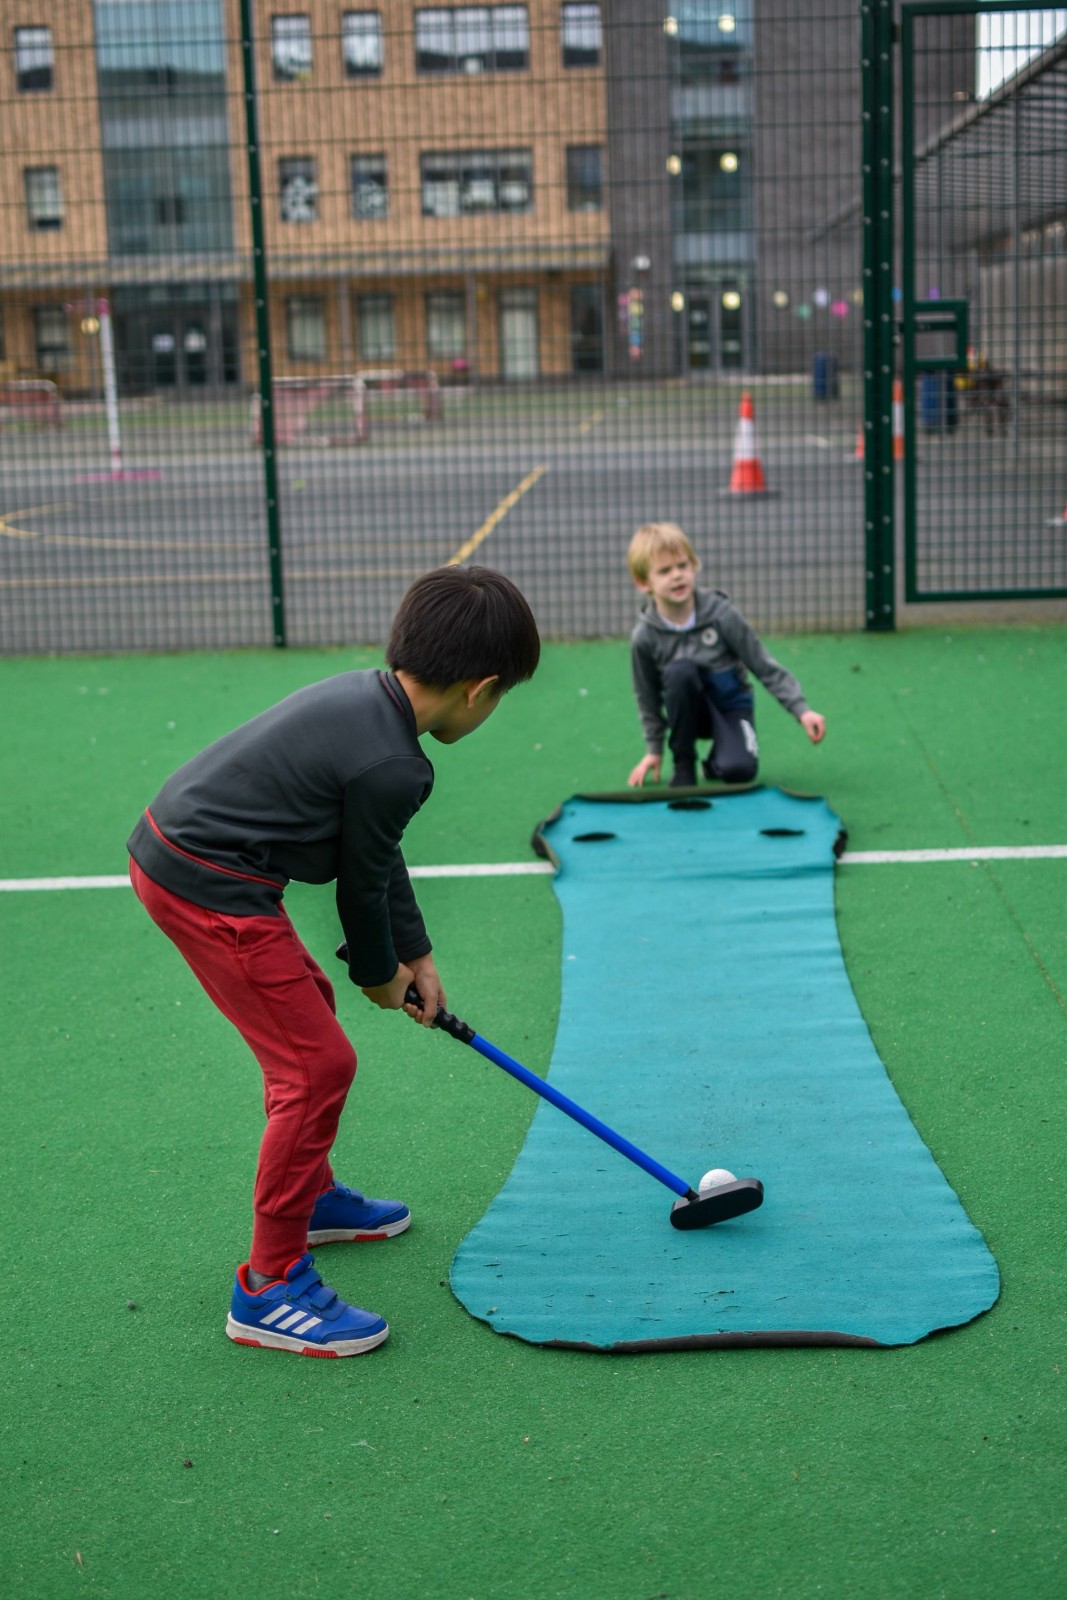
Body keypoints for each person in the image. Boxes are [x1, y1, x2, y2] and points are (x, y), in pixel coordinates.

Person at [127, 566, 540, 1358]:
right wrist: (380, 977)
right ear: (481, 690)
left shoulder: (369, 701)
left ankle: (309, 1197)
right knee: (315, 1068)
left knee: (308, 1009)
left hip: (191, 859)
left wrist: (414, 954)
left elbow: (375, 853)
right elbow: (359, 886)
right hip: (207, 883)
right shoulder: (396, 763)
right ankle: (269, 1286)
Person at [625, 522, 825, 789]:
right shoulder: (645, 636)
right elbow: (646, 696)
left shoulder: (721, 614)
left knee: (740, 771)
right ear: (642, 582)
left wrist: (802, 710)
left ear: (695, 565)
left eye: (683, 566)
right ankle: (684, 763)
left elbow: (762, 664)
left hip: (730, 706)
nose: (677, 576)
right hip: (687, 713)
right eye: (664, 571)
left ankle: (716, 761)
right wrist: (654, 749)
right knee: (680, 672)